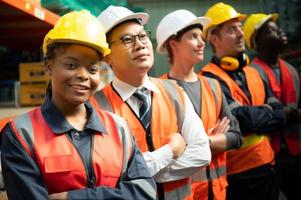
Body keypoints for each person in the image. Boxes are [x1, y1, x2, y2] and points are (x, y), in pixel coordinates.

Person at [0, 10, 156, 200]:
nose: (83, 75)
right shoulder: (21, 134)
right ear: (49, 65)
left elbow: (145, 192)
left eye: (92, 69)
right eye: (71, 65)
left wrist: (69, 198)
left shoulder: (119, 128)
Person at [90, 5, 211, 200]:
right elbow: (109, 173)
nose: (140, 44)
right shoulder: (96, 107)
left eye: (143, 36)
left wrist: (140, 175)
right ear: (107, 56)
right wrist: (170, 151)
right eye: (127, 39)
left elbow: (202, 153)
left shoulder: (174, 92)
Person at [200, 3, 286, 200]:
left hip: (269, 166)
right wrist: (265, 111)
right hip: (238, 176)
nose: (240, 34)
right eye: (232, 30)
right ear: (214, 39)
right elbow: (241, 121)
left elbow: (280, 115)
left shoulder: (255, 72)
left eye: (240, 28)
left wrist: (257, 114)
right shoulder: (209, 79)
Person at [156, 9, 242, 200]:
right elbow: (165, 148)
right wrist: (214, 139)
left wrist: (201, 142)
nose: (202, 42)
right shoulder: (159, 91)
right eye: (193, 36)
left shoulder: (213, 85)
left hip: (217, 192)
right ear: (173, 43)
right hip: (186, 194)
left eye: (201, 36)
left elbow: (236, 137)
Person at [243, 13, 301, 199]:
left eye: (278, 28)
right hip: (267, 157)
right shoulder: (251, 74)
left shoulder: (291, 71)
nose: (280, 32)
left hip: (295, 152)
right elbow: (257, 117)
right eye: (271, 31)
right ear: (257, 42)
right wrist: (290, 114)